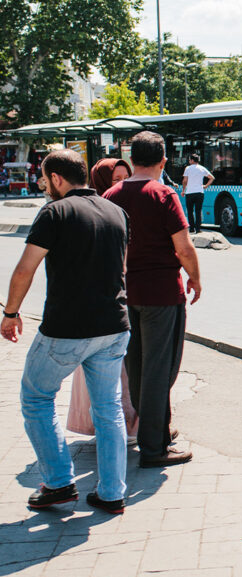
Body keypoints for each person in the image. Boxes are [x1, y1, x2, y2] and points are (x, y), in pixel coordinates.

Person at [2, 149, 130, 514]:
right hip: (114, 326)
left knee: (36, 396)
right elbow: (120, 269)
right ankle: (112, 492)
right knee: (109, 409)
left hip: (67, 330)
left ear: (57, 178)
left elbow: (25, 269)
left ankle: (58, 484)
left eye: (44, 180)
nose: (43, 186)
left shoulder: (54, 212)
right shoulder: (117, 212)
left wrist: (10, 313)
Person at [104, 131, 201, 468]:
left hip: (126, 295)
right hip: (162, 293)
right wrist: (196, 278)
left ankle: (158, 431)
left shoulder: (111, 194)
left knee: (138, 366)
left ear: (131, 161)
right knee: (161, 369)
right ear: (163, 161)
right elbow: (184, 246)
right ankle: (153, 448)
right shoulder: (164, 195)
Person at [67, 158, 140, 442]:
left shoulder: (120, 207)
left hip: (126, 298)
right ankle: (115, 429)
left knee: (125, 370)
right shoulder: (97, 211)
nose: (120, 183)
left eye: (125, 176)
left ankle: (128, 426)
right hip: (105, 305)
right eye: (114, 178)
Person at [181, 153, 214, 233]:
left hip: (189, 193)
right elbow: (212, 178)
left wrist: (183, 190)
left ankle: (191, 228)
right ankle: (198, 229)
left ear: (192, 160)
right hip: (199, 192)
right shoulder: (202, 168)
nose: (189, 161)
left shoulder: (188, 168)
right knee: (198, 211)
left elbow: (185, 180)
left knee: (190, 211)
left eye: (189, 160)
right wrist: (206, 186)